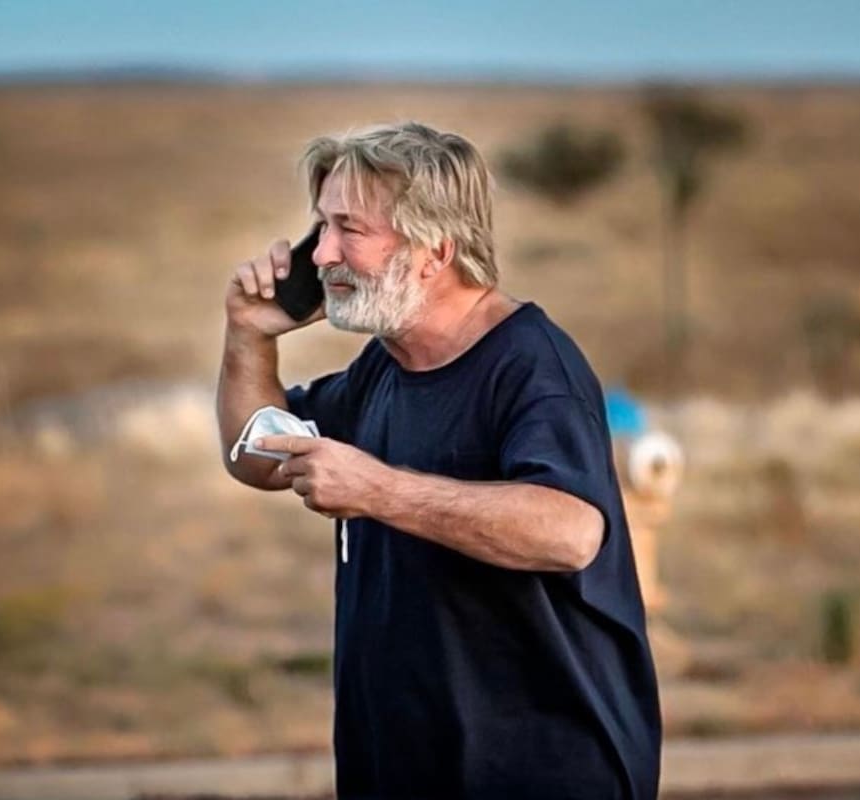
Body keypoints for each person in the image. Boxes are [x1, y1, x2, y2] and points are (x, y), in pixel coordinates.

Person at [216, 121, 661, 799]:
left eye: (349, 230)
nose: (322, 254)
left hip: (538, 774)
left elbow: (570, 532)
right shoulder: (383, 368)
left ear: (435, 250)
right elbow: (257, 453)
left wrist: (379, 492)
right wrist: (248, 334)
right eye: (320, 227)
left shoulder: (532, 367)